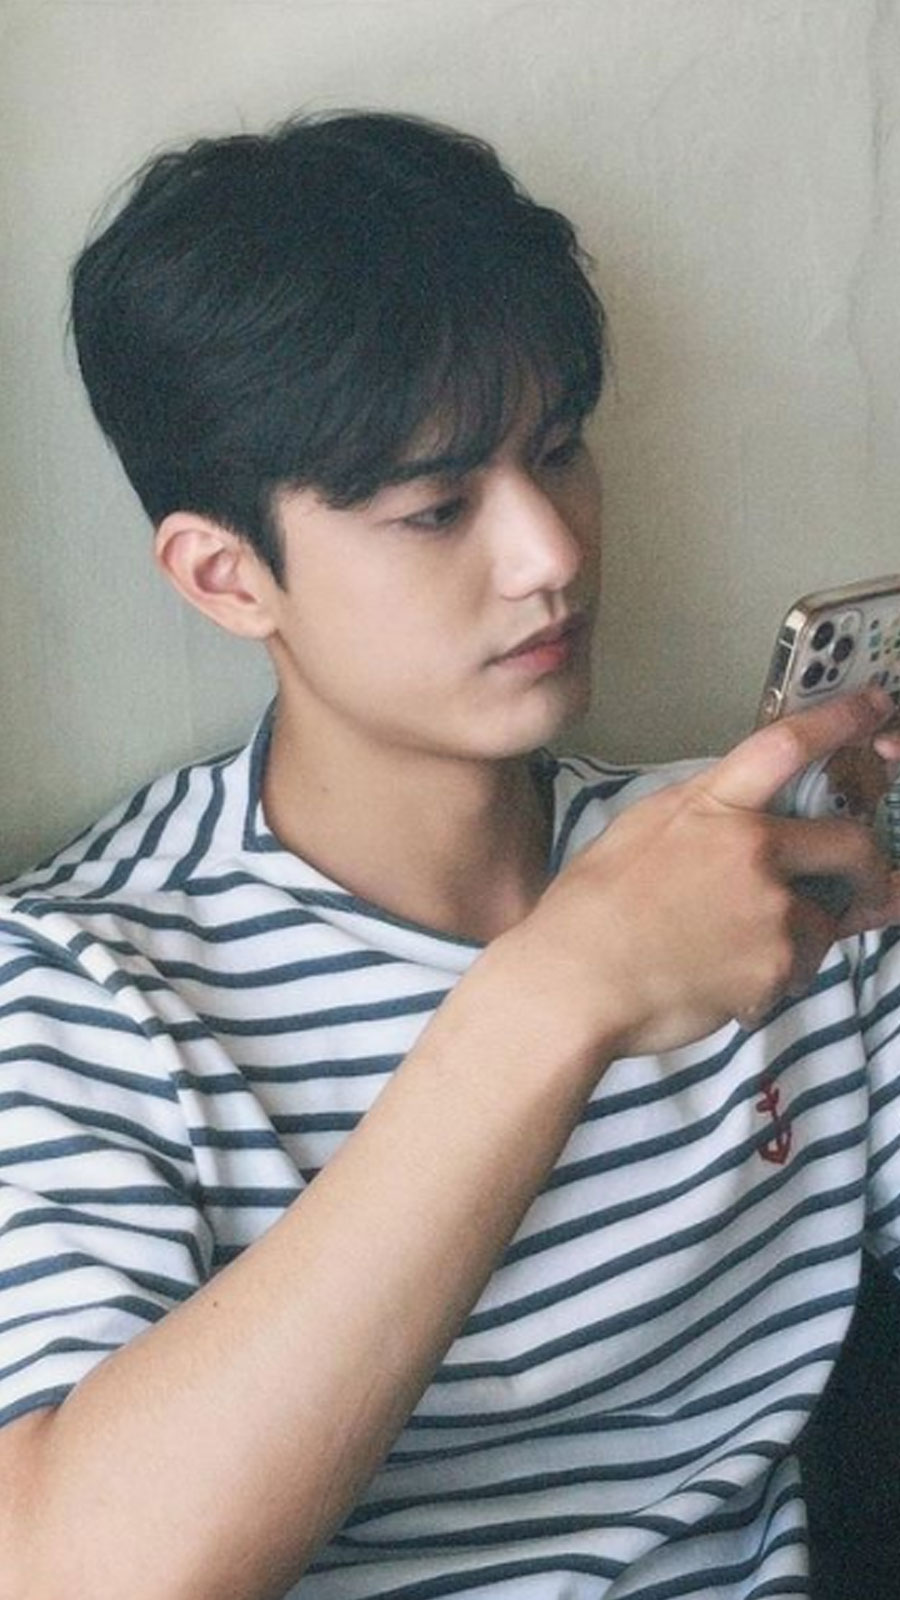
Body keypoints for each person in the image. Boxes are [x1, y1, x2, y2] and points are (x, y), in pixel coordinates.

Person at [0, 110, 898, 1600]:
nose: (553, 552)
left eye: (558, 450)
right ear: (227, 575)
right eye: (436, 508)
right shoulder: (82, 983)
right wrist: (554, 999)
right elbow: (72, 1572)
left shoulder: (758, 856)